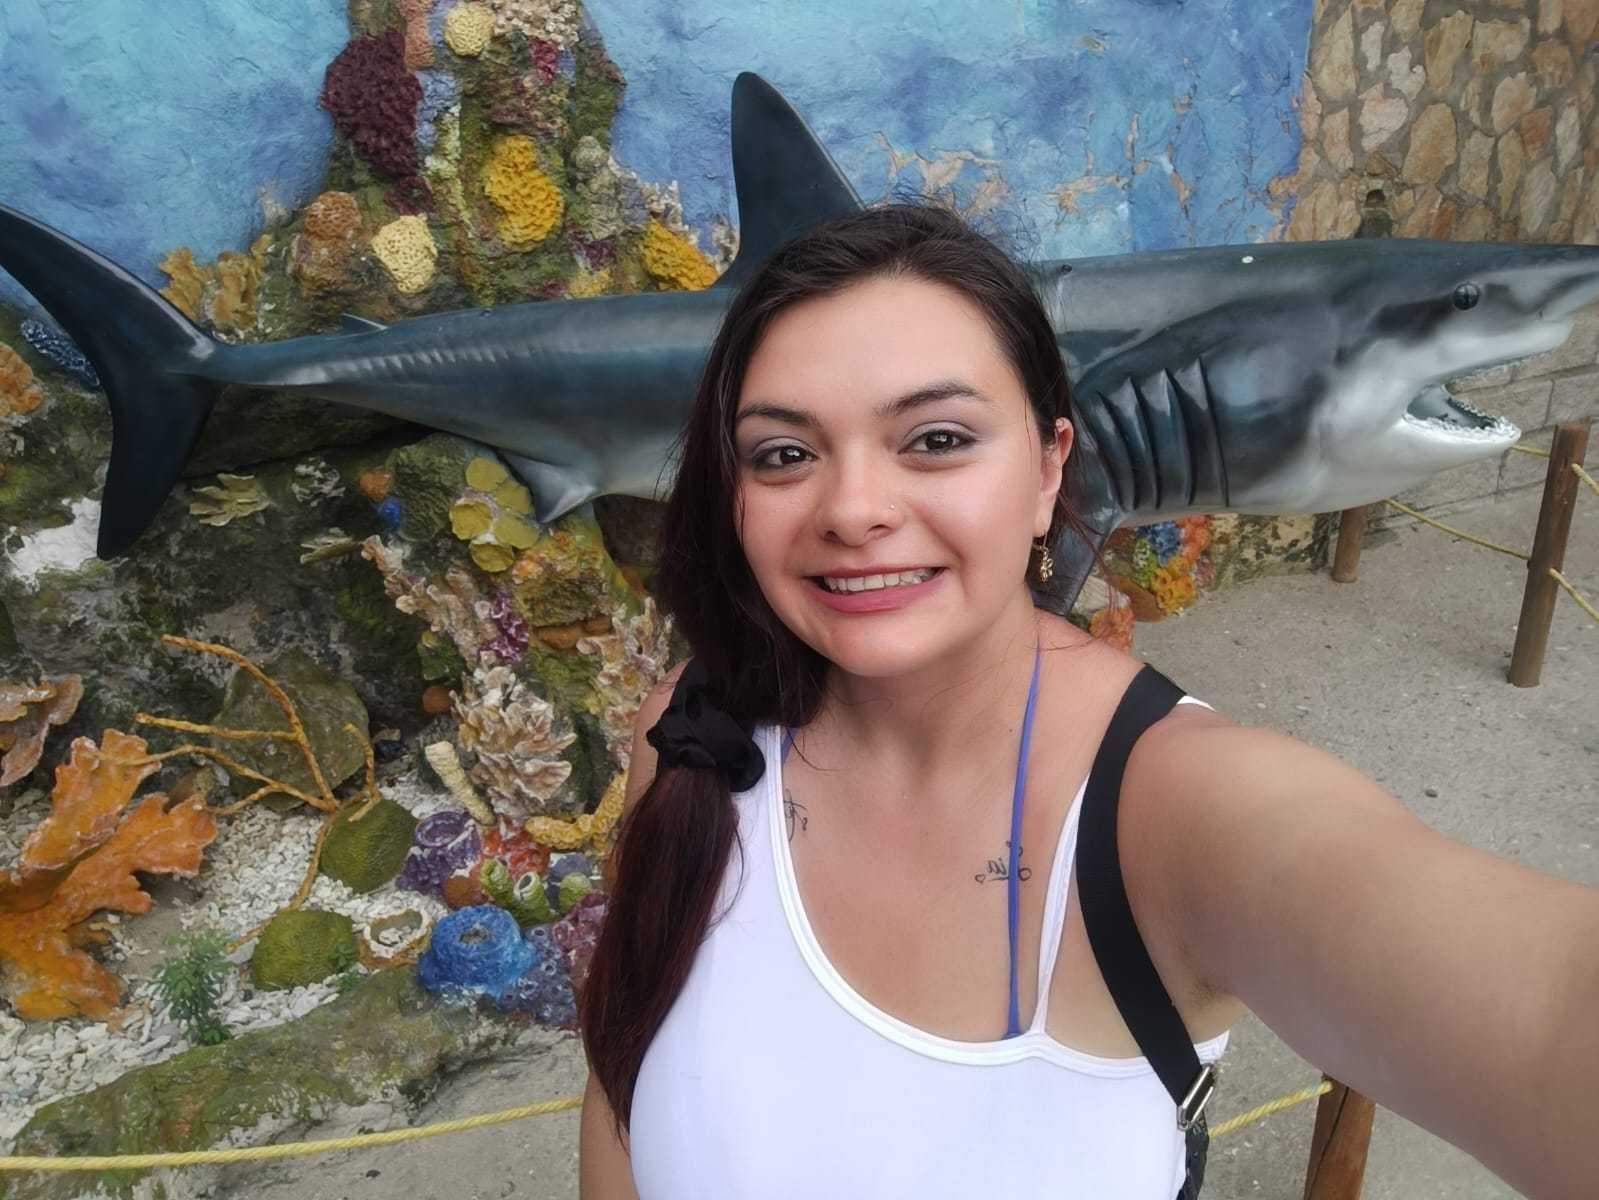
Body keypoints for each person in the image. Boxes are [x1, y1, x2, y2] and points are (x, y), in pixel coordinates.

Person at [576, 204, 1597, 1199]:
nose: (852, 511)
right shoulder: (691, 736)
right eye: (783, 454)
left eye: (936, 438)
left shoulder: (1176, 813)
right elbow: (620, 1088)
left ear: (1047, 468)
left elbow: (1550, 1008)